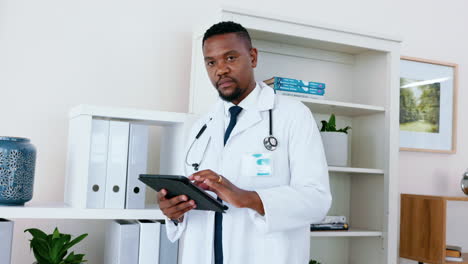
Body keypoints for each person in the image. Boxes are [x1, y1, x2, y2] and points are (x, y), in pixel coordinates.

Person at [158, 21, 331, 264]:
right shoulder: (201, 126)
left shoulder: (293, 115)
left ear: (252, 57)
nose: (221, 70)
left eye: (230, 58)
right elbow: (191, 201)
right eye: (211, 62)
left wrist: (247, 197)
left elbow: (317, 200)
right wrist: (174, 211)